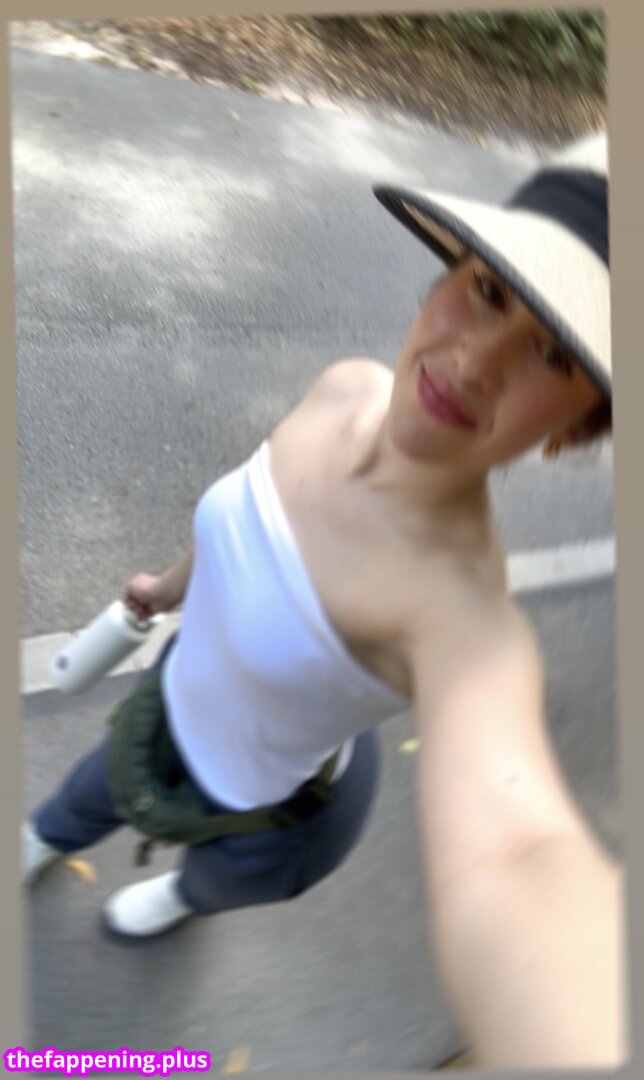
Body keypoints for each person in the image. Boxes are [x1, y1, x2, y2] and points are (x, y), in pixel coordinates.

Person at [23, 131, 623, 1068]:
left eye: (551, 353)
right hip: (175, 694)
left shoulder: (462, 613)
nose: (475, 365)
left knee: (210, 881)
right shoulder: (344, 386)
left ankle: (183, 898)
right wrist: (164, 589)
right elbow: (240, 515)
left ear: (576, 431)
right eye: (489, 293)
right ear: (445, 280)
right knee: (81, 797)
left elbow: (520, 856)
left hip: (273, 818)